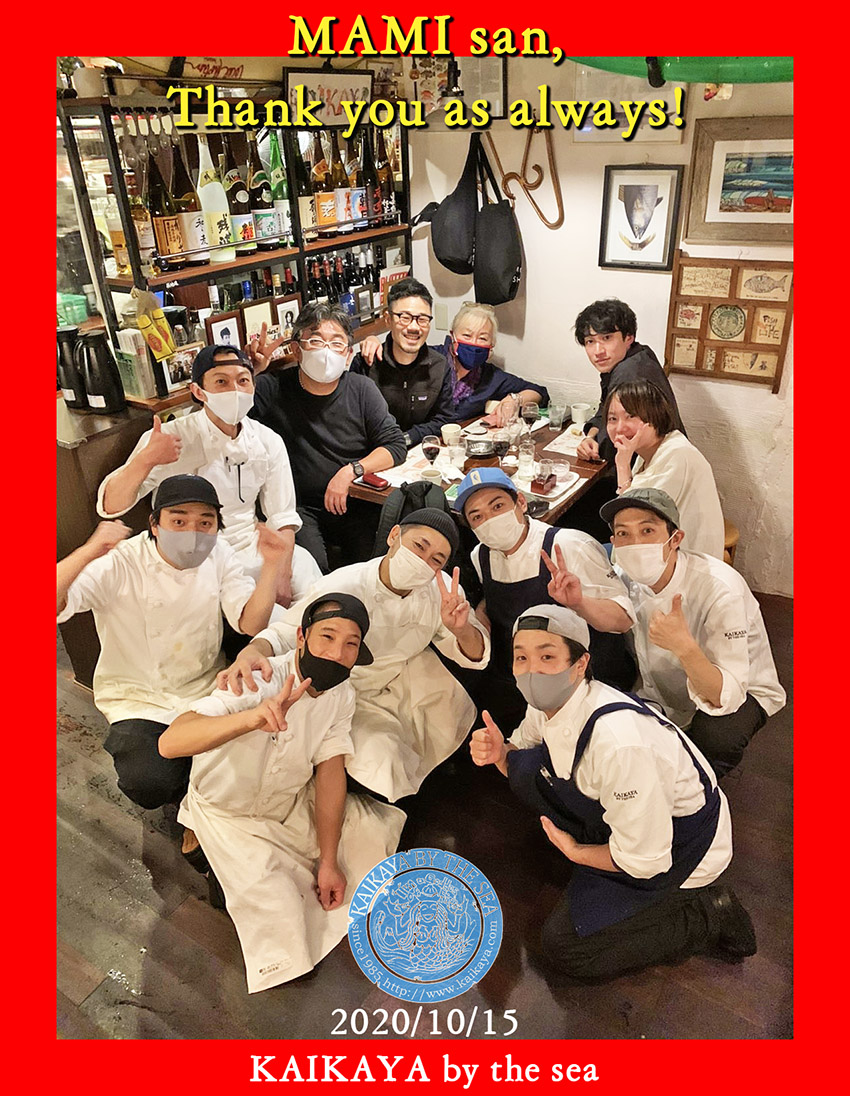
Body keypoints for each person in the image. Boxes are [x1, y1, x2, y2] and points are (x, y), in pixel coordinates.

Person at [470, 604, 757, 980]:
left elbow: (646, 861)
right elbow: (522, 752)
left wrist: (576, 852)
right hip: (633, 819)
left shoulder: (619, 744)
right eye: (521, 657)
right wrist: (500, 753)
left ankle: (708, 915)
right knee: (523, 769)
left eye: (547, 656)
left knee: (565, 947)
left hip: (683, 845)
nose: (531, 670)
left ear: (580, 664)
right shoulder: (548, 703)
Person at [159, 594, 405, 993]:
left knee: (370, 839)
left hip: (286, 806)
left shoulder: (342, 694)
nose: (337, 653)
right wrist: (251, 718)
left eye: (351, 644)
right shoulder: (259, 677)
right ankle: (202, 844)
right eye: (327, 636)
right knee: (283, 923)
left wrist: (329, 861)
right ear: (302, 637)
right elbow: (170, 743)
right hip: (228, 813)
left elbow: (330, 772)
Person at [218, 508, 490, 804]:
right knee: (379, 765)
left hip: (399, 680)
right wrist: (253, 651)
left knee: (446, 724)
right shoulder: (345, 584)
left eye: (436, 559)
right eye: (418, 546)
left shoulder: (442, 590)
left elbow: (476, 655)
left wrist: (461, 630)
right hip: (346, 689)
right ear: (394, 536)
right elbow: (288, 630)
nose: (423, 562)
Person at [56, 475, 291, 810]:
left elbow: (251, 623)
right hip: (139, 697)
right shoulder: (123, 561)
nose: (192, 533)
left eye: (205, 523)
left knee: (258, 753)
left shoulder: (220, 554)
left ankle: (202, 801)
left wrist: (272, 566)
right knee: (149, 781)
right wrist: (88, 551)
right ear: (155, 524)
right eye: (178, 521)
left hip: (205, 686)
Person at [97, 344, 321, 613]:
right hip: (198, 557)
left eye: (243, 381)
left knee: (317, 598)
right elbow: (110, 505)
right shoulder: (171, 437)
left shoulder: (267, 440)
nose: (235, 390)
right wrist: (146, 460)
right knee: (272, 620)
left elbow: (282, 516)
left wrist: (282, 574)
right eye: (221, 382)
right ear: (198, 391)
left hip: (254, 546)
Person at [593, 488, 785, 777]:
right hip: (660, 685)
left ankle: (703, 787)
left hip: (738, 689)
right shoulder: (624, 577)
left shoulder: (721, 590)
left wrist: (684, 646)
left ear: (675, 539)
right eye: (623, 534)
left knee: (716, 739)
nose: (635, 543)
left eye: (647, 530)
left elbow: (724, 695)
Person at [453, 467, 636, 731]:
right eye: (477, 516)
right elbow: (495, 600)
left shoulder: (570, 546)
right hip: (522, 681)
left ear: (521, 502)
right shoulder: (480, 556)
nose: (490, 520)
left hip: (583, 682)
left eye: (497, 506)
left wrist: (579, 603)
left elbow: (623, 620)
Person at [249, 302, 407, 573]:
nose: (326, 351)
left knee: (375, 563)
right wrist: (249, 371)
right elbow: (222, 413)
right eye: (316, 340)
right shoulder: (271, 388)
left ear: (347, 355)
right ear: (296, 349)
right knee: (313, 569)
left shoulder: (361, 389)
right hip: (296, 506)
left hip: (353, 500)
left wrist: (351, 471)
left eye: (336, 343)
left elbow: (394, 445)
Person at [605, 380, 725, 559]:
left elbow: (633, 520)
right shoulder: (649, 450)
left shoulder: (678, 455)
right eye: (613, 419)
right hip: (655, 554)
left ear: (654, 416)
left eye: (631, 416)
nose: (620, 428)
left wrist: (622, 467)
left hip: (679, 563)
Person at [574, 299, 684, 465]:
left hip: (654, 468)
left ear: (629, 337)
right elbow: (606, 410)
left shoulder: (629, 375)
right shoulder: (639, 354)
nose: (598, 351)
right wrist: (591, 436)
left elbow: (611, 446)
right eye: (590, 341)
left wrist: (593, 445)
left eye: (607, 338)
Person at [349, 277, 455, 448]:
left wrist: (407, 438)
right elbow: (352, 422)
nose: (414, 327)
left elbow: (444, 419)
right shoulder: (365, 363)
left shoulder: (439, 366)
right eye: (404, 317)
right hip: (374, 454)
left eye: (422, 319)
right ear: (388, 319)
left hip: (418, 451)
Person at [442, 303, 548, 426]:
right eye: (467, 336)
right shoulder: (432, 360)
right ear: (453, 336)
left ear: (491, 344)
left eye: (482, 338)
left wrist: (514, 400)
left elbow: (539, 392)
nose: (474, 343)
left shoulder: (491, 376)